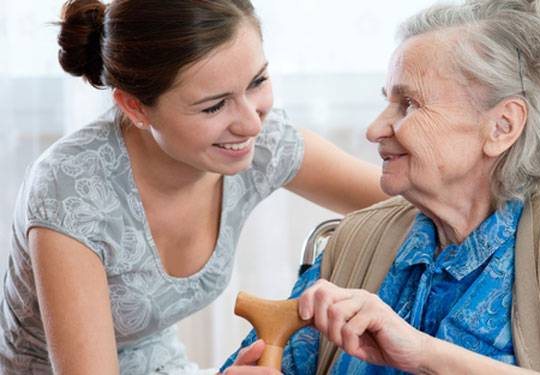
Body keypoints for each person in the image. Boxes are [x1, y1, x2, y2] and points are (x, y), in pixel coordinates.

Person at [0, 1, 390, 374]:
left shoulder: (261, 143)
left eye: (257, 81)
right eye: (213, 106)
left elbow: (409, 197)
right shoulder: (70, 193)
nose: (251, 124)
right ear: (134, 107)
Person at [222, 0, 540, 374]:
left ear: (502, 127)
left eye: (409, 104)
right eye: (388, 101)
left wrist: (421, 353)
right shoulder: (358, 243)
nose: (373, 130)